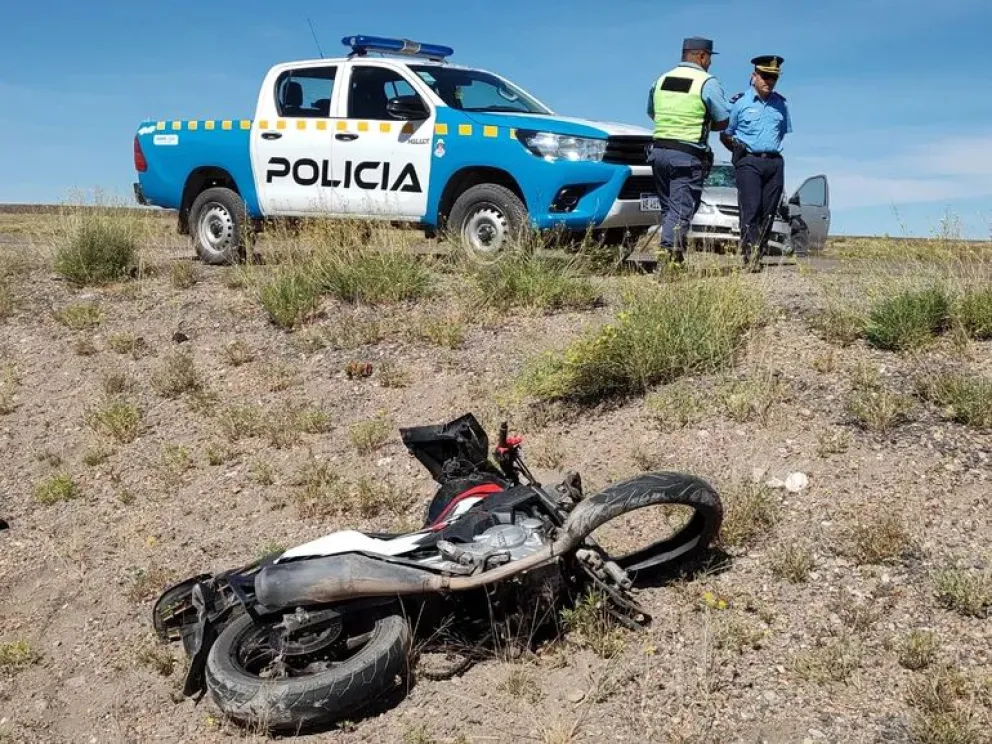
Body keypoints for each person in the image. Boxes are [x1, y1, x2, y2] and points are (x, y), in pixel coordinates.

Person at [646, 36, 731, 264]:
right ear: (702, 56)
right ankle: (668, 261)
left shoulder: (661, 79)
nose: (710, 63)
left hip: (659, 153)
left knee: (669, 208)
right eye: (709, 58)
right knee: (681, 209)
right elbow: (723, 120)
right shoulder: (707, 82)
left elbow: (653, 113)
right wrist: (705, 124)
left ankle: (676, 256)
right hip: (686, 155)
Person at [720, 55, 792, 271]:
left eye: (774, 77)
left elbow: (781, 133)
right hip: (748, 161)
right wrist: (737, 152)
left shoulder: (781, 104)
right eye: (765, 76)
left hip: (774, 162)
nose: (769, 81)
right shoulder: (739, 103)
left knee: (768, 212)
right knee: (751, 209)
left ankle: (758, 252)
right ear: (754, 76)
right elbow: (726, 133)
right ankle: (749, 255)